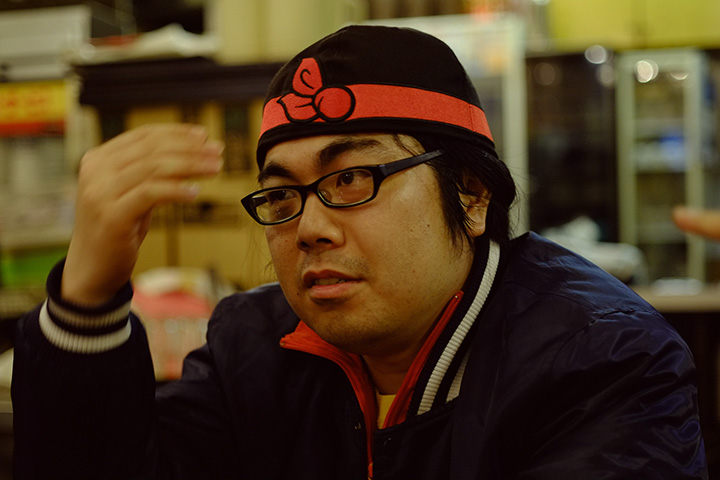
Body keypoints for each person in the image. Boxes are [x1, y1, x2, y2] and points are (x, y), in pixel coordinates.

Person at [11, 25, 707, 480]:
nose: (310, 226)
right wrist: (87, 298)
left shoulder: (603, 359)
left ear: (470, 196)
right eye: (282, 194)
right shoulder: (253, 346)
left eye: (352, 179)